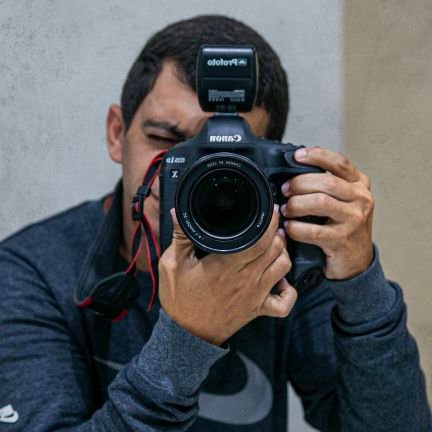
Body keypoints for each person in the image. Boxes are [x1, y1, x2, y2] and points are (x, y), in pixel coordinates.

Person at [0, 14, 430, 432]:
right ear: (117, 133)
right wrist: (189, 337)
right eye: (167, 142)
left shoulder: (286, 262)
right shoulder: (32, 271)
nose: (191, 178)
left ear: (269, 159)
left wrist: (360, 283)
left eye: (225, 162)